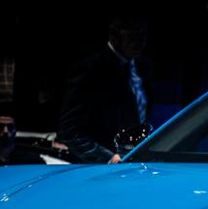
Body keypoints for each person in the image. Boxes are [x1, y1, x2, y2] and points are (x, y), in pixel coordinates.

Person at [57, 15, 150, 164]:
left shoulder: (142, 66)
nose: (140, 42)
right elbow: (69, 130)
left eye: (143, 35)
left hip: (135, 162)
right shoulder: (90, 69)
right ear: (114, 36)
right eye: (133, 35)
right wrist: (107, 158)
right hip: (101, 167)